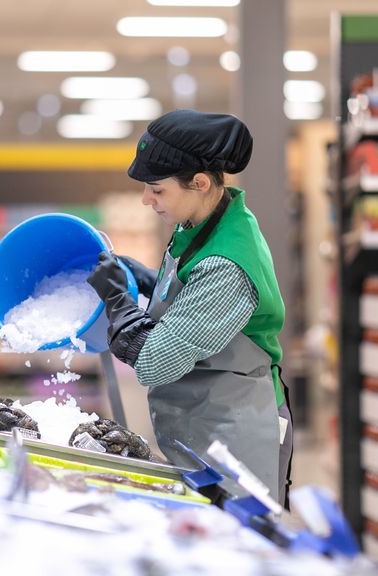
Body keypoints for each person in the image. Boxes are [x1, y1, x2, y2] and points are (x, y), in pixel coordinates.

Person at [86, 109, 293, 504]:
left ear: (198, 183)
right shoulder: (200, 223)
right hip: (204, 423)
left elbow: (154, 361)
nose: (147, 200)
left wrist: (118, 300)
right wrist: (147, 280)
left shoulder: (226, 264)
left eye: (157, 190)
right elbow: (190, 300)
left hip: (235, 438)